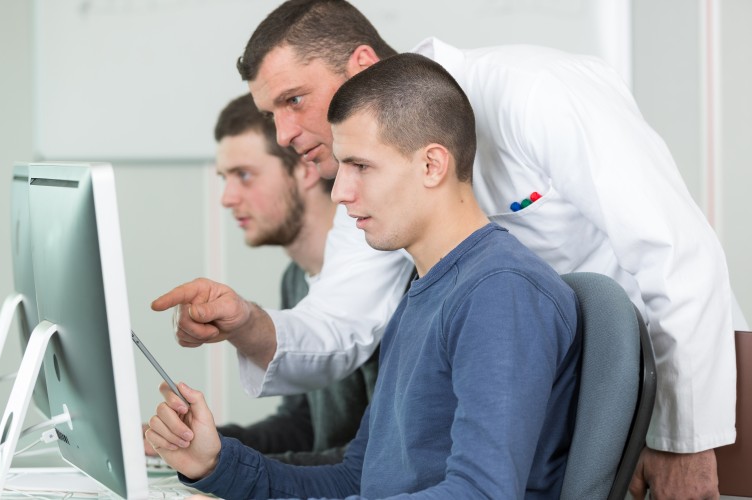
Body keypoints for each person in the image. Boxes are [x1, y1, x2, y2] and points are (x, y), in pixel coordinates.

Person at [150, 1, 742, 497]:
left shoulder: (535, 92)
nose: (284, 135)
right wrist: (244, 336)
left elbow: (675, 253)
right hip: (545, 396)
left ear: (360, 66)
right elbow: (338, 325)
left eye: (293, 101)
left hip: (690, 376)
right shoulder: (419, 272)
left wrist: (682, 438)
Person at [145, 53, 582, 498]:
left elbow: (481, 494)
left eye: (361, 166)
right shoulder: (421, 294)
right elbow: (357, 479)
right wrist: (215, 463)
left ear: (432, 165)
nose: (339, 192)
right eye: (341, 166)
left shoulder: (499, 292)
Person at [146, 93, 379, 465]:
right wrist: (203, 444)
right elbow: (303, 427)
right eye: (225, 177)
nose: (227, 197)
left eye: (244, 175)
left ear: (305, 168)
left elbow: (376, 462)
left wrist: (231, 475)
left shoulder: (383, 286)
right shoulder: (296, 280)